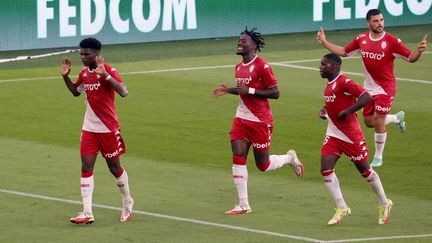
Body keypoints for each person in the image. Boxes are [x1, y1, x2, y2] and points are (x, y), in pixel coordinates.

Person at [316, 9, 428, 167]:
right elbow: (343, 52)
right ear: (368, 22)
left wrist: (419, 50)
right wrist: (324, 41)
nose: (380, 23)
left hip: (385, 89)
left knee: (379, 120)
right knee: (369, 122)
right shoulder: (361, 39)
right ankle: (396, 118)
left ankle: (378, 157)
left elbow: (411, 58)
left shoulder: (392, 41)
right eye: (376, 21)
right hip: (368, 88)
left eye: (381, 20)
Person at [212, 27, 304, 215]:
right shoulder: (238, 66)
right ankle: (243, 204)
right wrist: (228, 90)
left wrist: (252, 91)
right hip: (241, 118)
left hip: (260, 121)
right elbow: (243, 90)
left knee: (263, 165)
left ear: (253, 45)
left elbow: (275, 92)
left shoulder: (262, 66)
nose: (239, 43)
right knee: (238, 153)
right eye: (239, 41)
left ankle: (289, 158)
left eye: (243, 41)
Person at [61, 38, 133, 224]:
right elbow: (77, 91)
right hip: (89, 129)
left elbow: (124, 92)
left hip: (108, 129)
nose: (83, 57)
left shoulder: (108, 70)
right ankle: (87, 212)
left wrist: (106, 76)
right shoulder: (84, 73)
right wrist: (65, 76)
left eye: (86, 54)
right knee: (86, 166)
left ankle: (127, 202)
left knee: (114, 168)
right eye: (81, 54)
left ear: (97, 54)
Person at [318, 53, 393, 225]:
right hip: (334, 134)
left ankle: (384, 203)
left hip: (351, 137)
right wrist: (325, 110)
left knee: (365, 172)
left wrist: (349, 111)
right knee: (326, 169)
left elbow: (366, 96)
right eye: (320, 64)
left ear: (334, 67)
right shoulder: (329, 85)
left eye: (324, 65)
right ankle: (342, 207)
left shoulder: (344, 81)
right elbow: (335, 103)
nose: (320, 67)